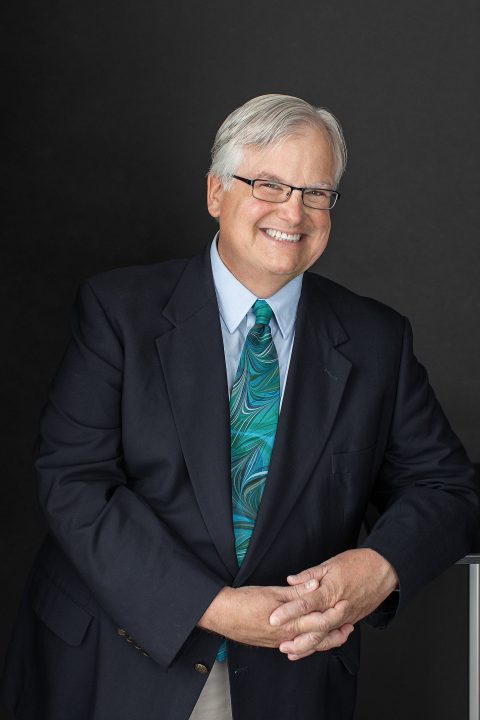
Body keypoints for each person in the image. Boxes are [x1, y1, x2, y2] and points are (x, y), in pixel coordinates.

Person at [0, 94, 478, 720]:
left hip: (286, 682)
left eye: (316, 192)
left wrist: (379, 566)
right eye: (269, 185)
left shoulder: (377, 340)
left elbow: (448, 490)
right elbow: (73, 484)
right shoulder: (119, 312)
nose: (295, 212)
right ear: (215, 193)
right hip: (112, 666)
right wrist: (214, 607)